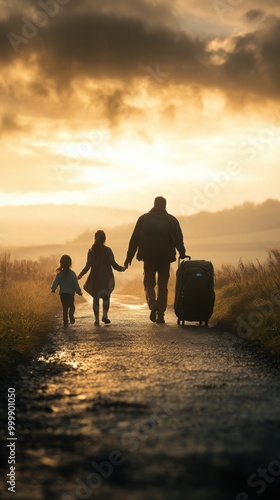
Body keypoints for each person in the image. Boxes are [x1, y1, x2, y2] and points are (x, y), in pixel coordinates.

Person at [124, 196, 187, 324]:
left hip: (148, 257)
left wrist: (129, 257)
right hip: (165, 257)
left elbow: (134, 239)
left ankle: (153, 303)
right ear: (165, 205)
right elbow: (179, 239)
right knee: (163, 286)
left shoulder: (143, 219)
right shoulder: (172, 220)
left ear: (154, 204)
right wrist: (182, 253)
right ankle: (161, 315)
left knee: (149, 283)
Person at [77, 230, 125, 326]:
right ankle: (105, 315)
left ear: (95, 238)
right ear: (104, 239)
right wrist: (122, 269)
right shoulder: (108, 250)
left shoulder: (91, 251)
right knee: (106, 297)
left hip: (95, 278)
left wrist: (81, 274)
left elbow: (88, 265)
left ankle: (97, 319)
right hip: (106, 278)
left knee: (96, 298)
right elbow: (113, 264)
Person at [51, 254, 83, 333]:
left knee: (65, 308)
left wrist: (53, 289)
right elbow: (75, 284)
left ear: (61, 263)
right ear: (70, 263)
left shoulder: (59, 274)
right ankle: (71, 313)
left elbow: (55, 283)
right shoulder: (72, 274)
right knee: (71, 306)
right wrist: (79, 291)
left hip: (63, 294)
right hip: (70, 294)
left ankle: (65, 325)